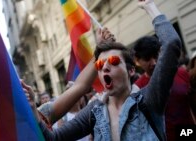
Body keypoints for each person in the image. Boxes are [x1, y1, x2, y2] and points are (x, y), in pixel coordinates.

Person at [31, 0, 182, 140]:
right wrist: (32, 108)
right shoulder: (94, 112)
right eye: (100, 65)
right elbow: (54, 138)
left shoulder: (148, 99)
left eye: (113, 61)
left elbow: (171, 43)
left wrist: (149, 6)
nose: (104, 67)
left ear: (130, 71)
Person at [132, 29, 194, 141]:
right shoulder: (137, 89)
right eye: (147, 58)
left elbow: (192, 105)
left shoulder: (182, 73)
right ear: (137, 60)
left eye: (156, 56)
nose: (154, 62)